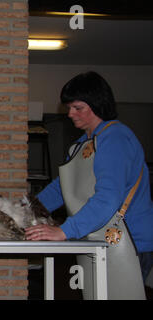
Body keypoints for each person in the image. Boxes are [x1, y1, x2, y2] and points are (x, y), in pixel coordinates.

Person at [25, 71, 153, 299]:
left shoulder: (115, 138)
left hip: (130, 243)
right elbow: (62, 188)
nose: (70, 114)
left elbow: (108, 198)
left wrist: (64, 231)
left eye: (78, 107)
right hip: (99, 238)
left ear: (97, 104)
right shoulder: (83, 144)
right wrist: (26, 209)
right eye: (69, 107)